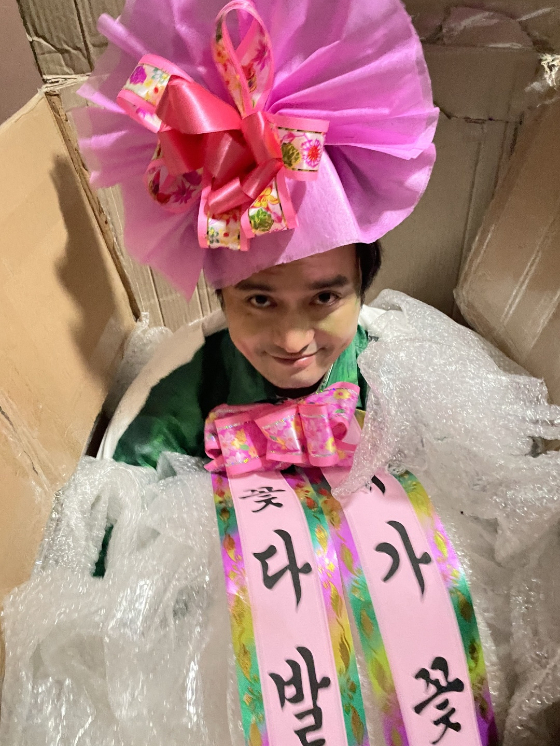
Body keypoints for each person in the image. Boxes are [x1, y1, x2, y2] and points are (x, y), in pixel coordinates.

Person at [3, 0, 560, 744]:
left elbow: (482, 462)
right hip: (244, 594)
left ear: (361, 287)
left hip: (382, 567)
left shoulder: (392, 354)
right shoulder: (190, 376)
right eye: (259, 300)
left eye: (325, 298)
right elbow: (117, 496)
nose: (293, 339)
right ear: (219, 292)